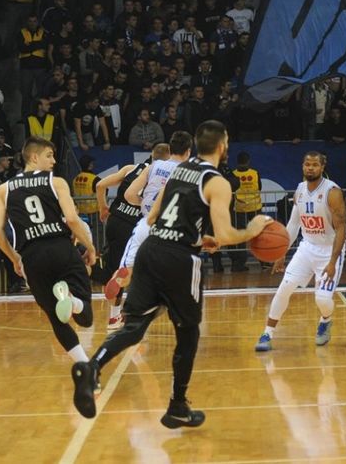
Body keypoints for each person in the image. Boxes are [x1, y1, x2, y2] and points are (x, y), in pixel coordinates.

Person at [70, 120, 271, 427]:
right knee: (188, 331)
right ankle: (177, 404)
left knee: (135, 325)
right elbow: (227, 234)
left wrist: (197, 237)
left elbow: (152, 216)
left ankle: (93, 366)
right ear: (222, 146)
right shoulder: (216, 181)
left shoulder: (177, 171)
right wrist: (253, 229)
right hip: (179, 259)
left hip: (151, 248)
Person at [0, 137, 97, 364]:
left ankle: (85, 366)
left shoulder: (3, 189)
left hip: (31, 256)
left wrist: (15, 258)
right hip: (61, 249)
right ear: (34, 157)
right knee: (85, 317)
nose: (54, 161)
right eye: (49, 155)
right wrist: (89, 246)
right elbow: (71, 219)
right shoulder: (56, 182)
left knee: (56, 319)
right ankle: (73, 301)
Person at [255, 151, 346, 350]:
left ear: (322, 167)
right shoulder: (299, 190)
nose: (310, 168)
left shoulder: (332, 192)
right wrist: (281, 253)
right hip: (306, 248)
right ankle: (267, 334)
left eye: (315, 165)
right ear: (302, 166)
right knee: (284, 288)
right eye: (307, 164)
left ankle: (325, 320)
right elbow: (293, 225)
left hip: (328, 250)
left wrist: (332, 262)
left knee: (322, 299)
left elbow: (342, 229)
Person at [103, 133, 192, 322]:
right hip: (169, 227)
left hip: (145, 222)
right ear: (188, 151)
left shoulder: (154, 166)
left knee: (127, 267)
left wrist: (144, 203)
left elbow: (129, 194)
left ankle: (117, 304)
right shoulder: (188, 171)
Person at [95, 145, 167, 326]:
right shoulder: (161, 176)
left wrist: (103, 207)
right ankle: (132, 310)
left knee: (114, 266)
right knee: (141, 267)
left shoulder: (131, 168)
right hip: (134, 225)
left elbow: (100, 185)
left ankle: (114, 314)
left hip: (114, 221)